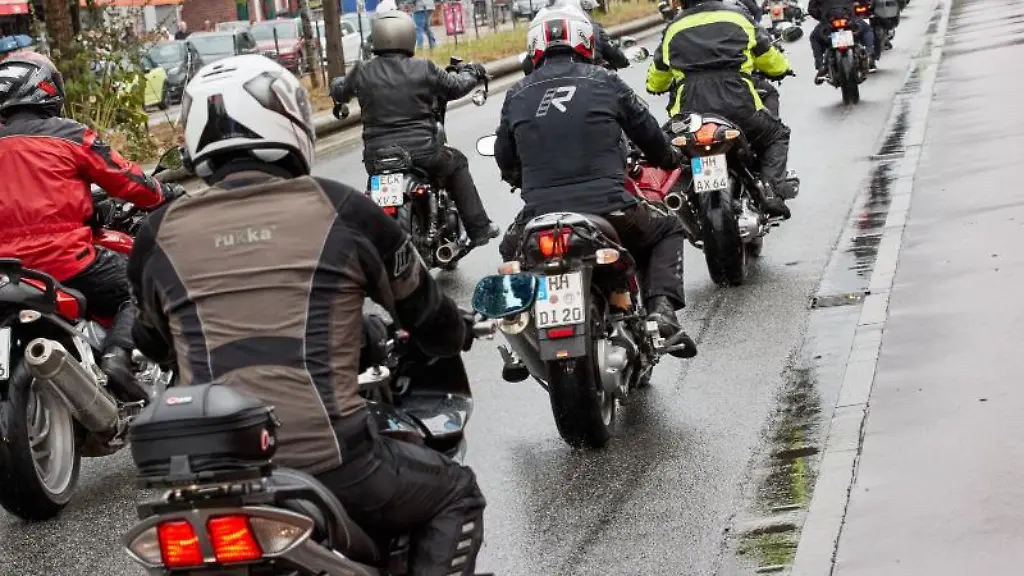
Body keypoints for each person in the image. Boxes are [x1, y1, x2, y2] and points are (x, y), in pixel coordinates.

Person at [128, 54, 486, 576]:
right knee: (456, 493)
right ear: (290, 121)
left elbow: (153, 342)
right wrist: (457, 330)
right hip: (334, 460)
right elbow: (426, 313)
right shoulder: (343, 209)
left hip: (210, 477)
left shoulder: (157, 233)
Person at [495, 9, 698, 359]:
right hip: (612, 209)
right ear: (586, 40)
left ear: (534, 47)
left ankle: (521, 339)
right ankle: (662, 312)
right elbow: (648, 133)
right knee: (667, 229)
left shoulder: (516, 93)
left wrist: (522, 178)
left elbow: (505, 158)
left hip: (539, 215)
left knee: (509, 251)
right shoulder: (605, 81)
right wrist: (669, 158)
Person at [0, 53, 180, 402]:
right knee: (142, 285)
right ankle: (118, 357)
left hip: (7, 271)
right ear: (46, 88)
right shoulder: (69, 135)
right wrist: (166, 193)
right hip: (65, 261)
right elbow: (128, 180)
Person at [330, 11, 498, 248]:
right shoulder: (423, 68)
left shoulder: (362, 71)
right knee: (457, 163)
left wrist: (336, 84)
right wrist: (473, 72)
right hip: (423, 153)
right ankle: (479, 229)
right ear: (408, 36)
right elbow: (456, 87)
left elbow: (340, 91)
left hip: (377, 159)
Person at [646, 0, 795, 219]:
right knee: (777, 135)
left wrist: (655, 86)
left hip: (689, 116)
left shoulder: (673, 28)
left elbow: (657, 79)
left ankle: (675, 205)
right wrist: (782, 69)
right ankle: (771, 190)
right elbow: (769, 58)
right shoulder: (739, 18)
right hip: (740, 107)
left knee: (669, 152)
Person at [520, 0, 628, 75]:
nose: (589, 13)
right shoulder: (593, 28)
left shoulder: (544, 32)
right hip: (592, 86)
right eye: (588, 10)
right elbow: (618, 57)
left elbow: (528, 67)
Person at [808, 0, 877, 83]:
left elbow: (812, 9)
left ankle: (820, 66)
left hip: (829, 20)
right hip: (849, 18)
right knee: (867, 30)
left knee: (814, 38)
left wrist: (822, 17)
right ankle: (870, 52)